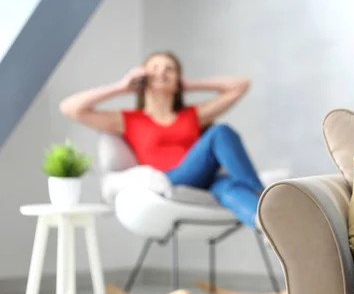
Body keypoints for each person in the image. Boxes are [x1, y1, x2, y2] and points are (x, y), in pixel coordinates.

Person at [60, 51, 263, 229]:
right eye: (154, 68)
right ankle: (264, 195)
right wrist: (122, 87)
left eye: (170, 69)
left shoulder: (193, 115)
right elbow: (70, 108)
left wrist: (190, 85)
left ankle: (268, 227)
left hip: (205, 180)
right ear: (142, 78)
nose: (162, 72)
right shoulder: (128, 120)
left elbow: (241, 85)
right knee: (220, 132)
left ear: (178, 81)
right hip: (168, 181)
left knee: (230, 187)